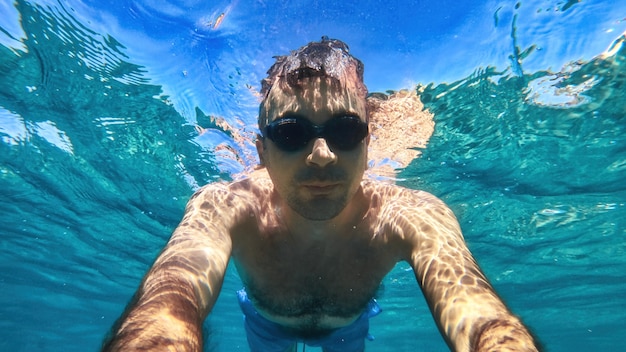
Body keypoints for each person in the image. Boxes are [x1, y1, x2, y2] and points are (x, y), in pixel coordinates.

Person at [102, 37, 539, 352]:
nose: (323, 155)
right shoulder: (226, 205)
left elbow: (483, 318)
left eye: (345, 130)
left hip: (350, 329)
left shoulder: (412, 216)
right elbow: (166, 305)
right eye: (291, 133)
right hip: (264, 325)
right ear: (263, 153)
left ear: (368, 146)